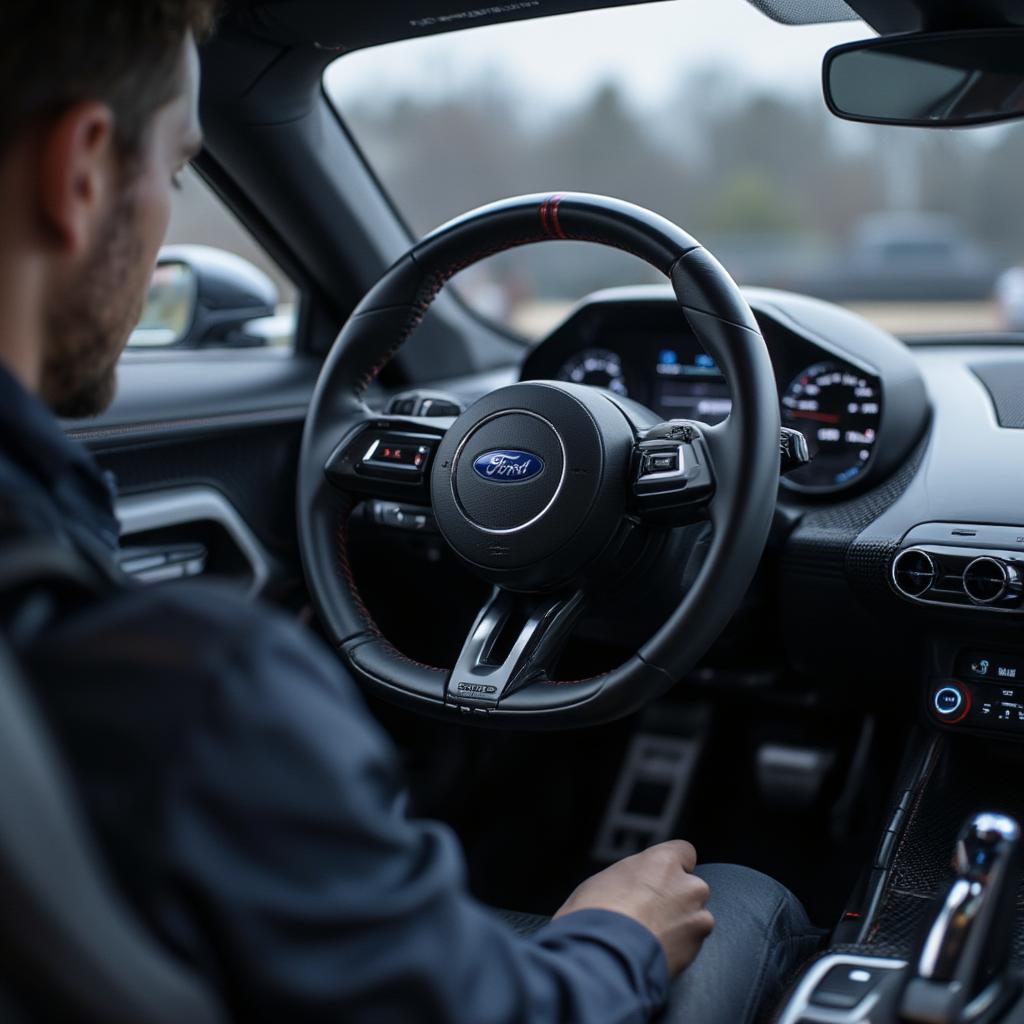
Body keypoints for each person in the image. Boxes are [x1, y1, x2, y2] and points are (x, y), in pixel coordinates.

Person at [0, 3, 820, 1022]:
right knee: (742, 897)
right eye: (175, 172)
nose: (172, 207)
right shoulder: (203, 694)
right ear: (80, 174)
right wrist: (614, 932)